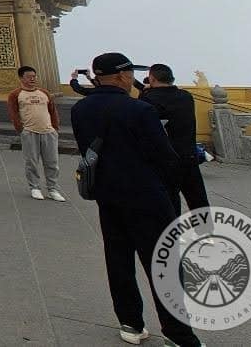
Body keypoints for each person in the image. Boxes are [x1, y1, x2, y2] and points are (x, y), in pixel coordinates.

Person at [71, 53, 201, 347]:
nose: (132, 78)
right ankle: (178, 334)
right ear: (121, 76)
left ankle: (130, 323)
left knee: (118, 260)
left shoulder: (80, 109)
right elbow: (165, 157)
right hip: (146, 196)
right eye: (130, 73)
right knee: (163, 262)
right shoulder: (140, 110)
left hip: (107, 195)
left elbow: (87, 150)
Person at [138, 64, 209, 213]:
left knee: (170, 202)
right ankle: (206, 233)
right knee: (198, 200)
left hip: (165, 160)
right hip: (189, 156)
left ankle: (172, 233)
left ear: (152, 78)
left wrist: (143, 93)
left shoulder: (148, 99)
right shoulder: (186, 97)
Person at [7, 66, 64, 201]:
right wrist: (21, 129)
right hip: (29, 132)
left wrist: (55, 128)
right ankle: (35, 187)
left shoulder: (44, 93)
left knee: (52, 162)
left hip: (48, 132)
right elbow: (14, 114)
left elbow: (52, 111)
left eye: (34, 76)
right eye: (29, 77)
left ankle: (52, 189)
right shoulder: (15, 95)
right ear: (21, 78)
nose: (32, 79)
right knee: (31, 162)